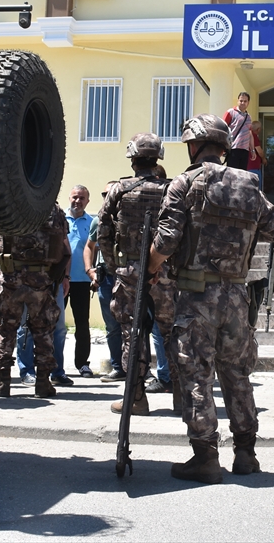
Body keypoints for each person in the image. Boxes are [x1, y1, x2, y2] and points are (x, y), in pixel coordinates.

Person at [148, 114, 274, 483]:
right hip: (238, 295)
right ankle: (246, 454)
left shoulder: (184, 183)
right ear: (223, 148)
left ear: (192, 146)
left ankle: (206, 456)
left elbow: (165, 241)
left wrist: (150, 268)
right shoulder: (250, 184)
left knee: (196, 376)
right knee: (237, 374)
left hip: (195, 295)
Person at [99, 132, 177, 416]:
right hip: (167, 272)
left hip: (129, 270)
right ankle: (181, 397)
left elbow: (103, 232)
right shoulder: (172, 189)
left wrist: (113, 265)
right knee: (172, 332)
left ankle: (136, 398)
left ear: (132, 159)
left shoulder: (119, 189)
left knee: (133, 333)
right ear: (157, 158)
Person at [0, 204, 71, 398]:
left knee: (5, 328)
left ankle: (3, 382)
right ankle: (43, 382)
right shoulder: (55, 211)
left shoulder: (7, 206)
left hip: (11, 277)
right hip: (41, 278)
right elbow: (64, 250)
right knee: (43, 330)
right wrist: (54, 277)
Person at [86, 184, 125, 381]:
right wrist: (89, 270)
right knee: (112, 326)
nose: (108, 197)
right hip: (107, 279)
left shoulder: (128, 218)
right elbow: (89, 246)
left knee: (134, 325)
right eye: (104, 194)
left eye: (111, 193)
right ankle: (118, 367)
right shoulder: (98, 221)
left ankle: (136, 368)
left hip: (127, 278)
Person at [66, 185, 95, 378]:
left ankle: (82, 363)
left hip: (82, 280)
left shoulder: (92, 222)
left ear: (87, 201)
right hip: (60, 280)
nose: (78, 201)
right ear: (69, 198)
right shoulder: (59, 220)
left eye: (82, 198)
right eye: (75, 197)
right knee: (52, 323)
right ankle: (50, 363)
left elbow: (96, 249)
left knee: (82, 324)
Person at [222, 91, 252, 170]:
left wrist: (252, 150)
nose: (242, 103)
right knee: (232, 174)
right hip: (233, 148)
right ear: (237, 101)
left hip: (245, 150)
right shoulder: (230, 112)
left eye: (245, 101)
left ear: (248, 103)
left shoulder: (248, 117)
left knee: (242, 175)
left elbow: (250, 133)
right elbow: (222, 129)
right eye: (241, 101)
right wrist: (222, 147)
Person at [247, 120, 265, 189]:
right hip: (253, 168)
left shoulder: (247, 135)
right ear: (258, 129)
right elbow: (259, 151)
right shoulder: (253, 136)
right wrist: (264, 159)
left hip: (247, 167)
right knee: (256, 190)